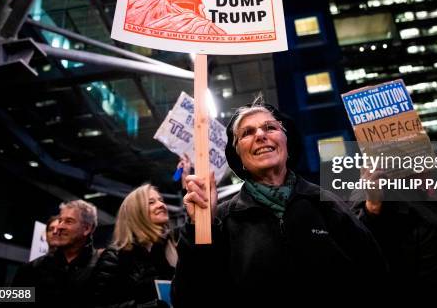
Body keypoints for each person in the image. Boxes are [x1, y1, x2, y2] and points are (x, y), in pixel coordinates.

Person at [172, 99, 387, 307]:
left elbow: (375, 274)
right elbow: (188, 299)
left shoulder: (327, 204)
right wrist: (199, 229)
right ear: (239, 158)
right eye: (247, 133)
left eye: (270, 128)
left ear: (287, 143)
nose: (260, 135)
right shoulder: (221, 220)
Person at [91, 184, 177, 308]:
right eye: (151, 202)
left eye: (161, 200)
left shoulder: (166, 249)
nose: (161, 205)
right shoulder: (115, 256)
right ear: (135, 213)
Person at [12, 200, 99, 307]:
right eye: (60, 221)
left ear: (87, 228)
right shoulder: (32, 269)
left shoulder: (102, 268)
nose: (59, 227)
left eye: (69, 221)